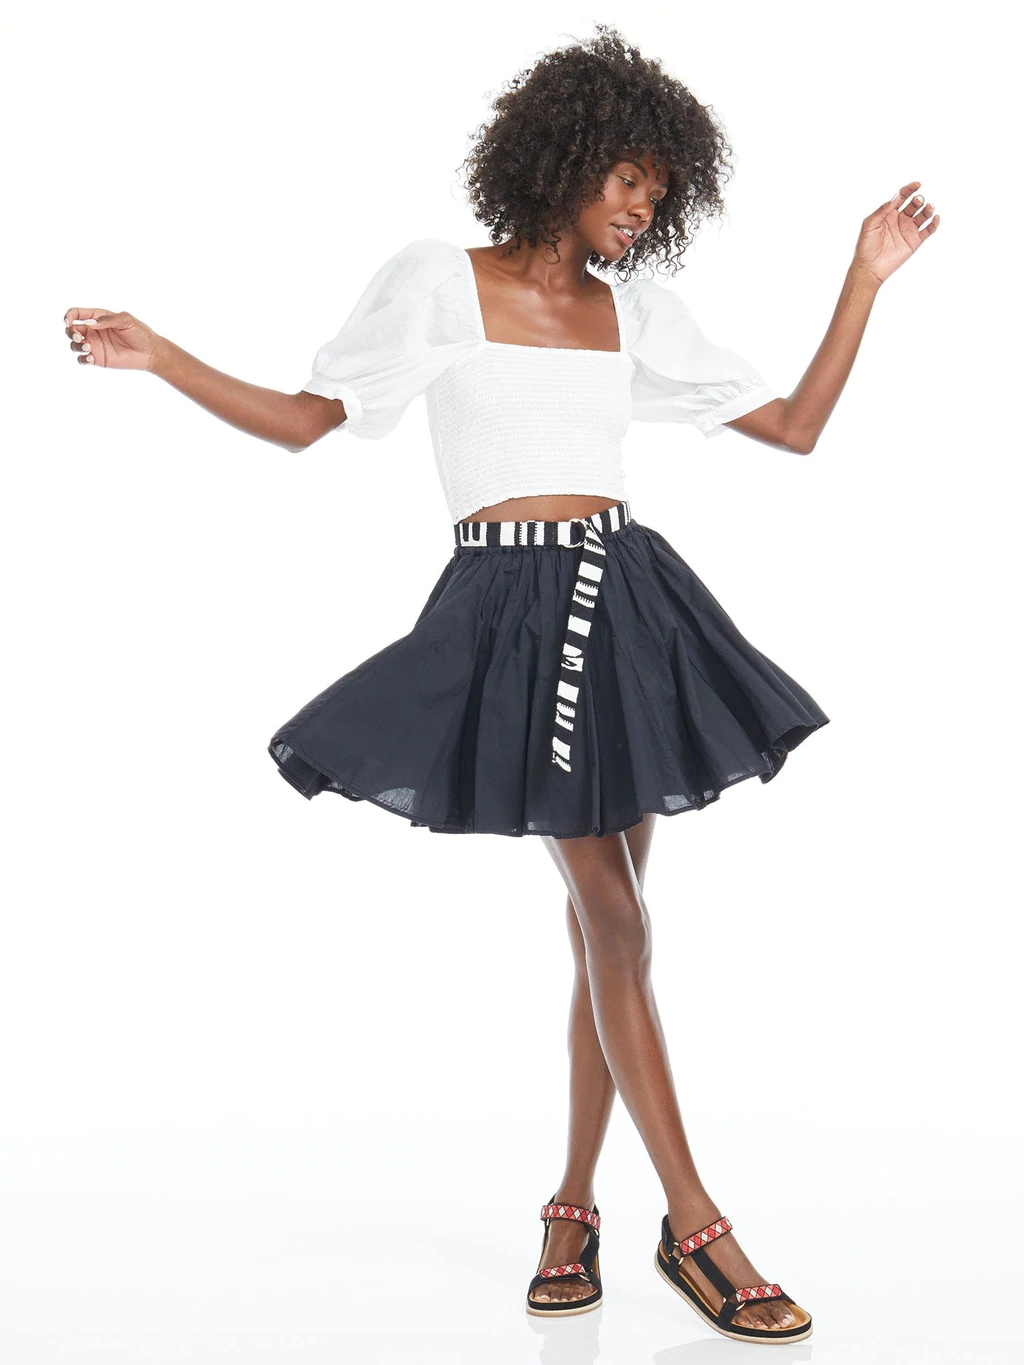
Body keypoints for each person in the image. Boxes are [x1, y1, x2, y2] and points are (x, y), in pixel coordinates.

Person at [62, 22, 938, 1345]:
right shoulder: (438, 281)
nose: (642, 207)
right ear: (563, 160)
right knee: (614, 916)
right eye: (627, 179)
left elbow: (796, 429)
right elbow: (308, 422)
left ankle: (573, 1211)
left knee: (610, 927)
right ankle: (698, 1226)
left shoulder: (634, 310)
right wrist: (164, 354)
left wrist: (862, 279)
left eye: (658, 188)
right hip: (510, 614)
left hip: (628, 603)